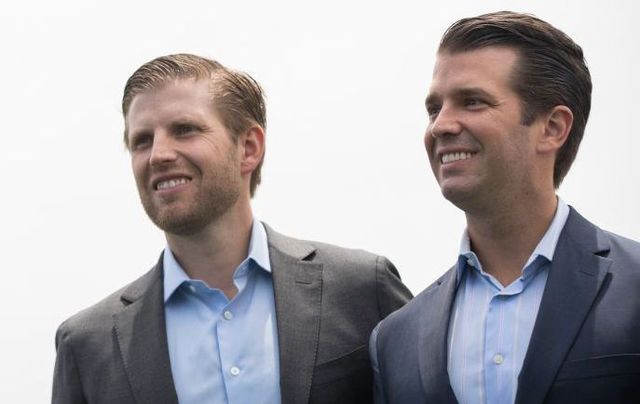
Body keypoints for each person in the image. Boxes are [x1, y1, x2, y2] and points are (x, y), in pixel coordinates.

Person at [52, 54, 412, 404]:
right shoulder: (86, 345)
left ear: (249, 148)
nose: (158, 154)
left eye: (185, 130)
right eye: (141, 141)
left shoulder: (361, 288)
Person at [370, 11, 640, 404]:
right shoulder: (394, 340)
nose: (441, 126)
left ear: (552, 128)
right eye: (434, 109)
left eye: (472, 102)